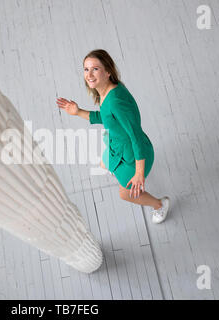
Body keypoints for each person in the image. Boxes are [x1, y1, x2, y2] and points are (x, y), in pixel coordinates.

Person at [56, 49, 170, 223]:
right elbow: (107, 117)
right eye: (86, 69)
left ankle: (160, 205)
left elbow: (136, 136)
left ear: (108, 71)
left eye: (95, 69)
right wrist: (78, 111)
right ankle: (118, 169)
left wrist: (139, 173)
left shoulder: (115, 101)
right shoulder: (105, 92)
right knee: (104, 163)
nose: (89, 74)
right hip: (117, 146)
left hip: (132, 155)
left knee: (125, 194)